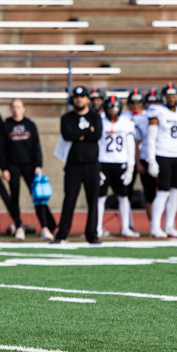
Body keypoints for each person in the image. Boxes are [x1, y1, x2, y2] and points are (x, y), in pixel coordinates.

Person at [0, 99, 54, 241]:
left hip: (29, 166)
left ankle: (45, 228)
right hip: (12, 166)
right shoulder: (6, 126)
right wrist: (4, 168)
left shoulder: (30, 125)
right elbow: (1, 150)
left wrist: (38, 165)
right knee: (14, 197)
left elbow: (37, 146)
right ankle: (19, 226)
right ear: (11, 109)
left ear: (24, 109)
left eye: (19, 107)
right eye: (14, 107)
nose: (16, 109)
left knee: (38, 197)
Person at [53, 86, 102, 244]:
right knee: (69, 200)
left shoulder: (95, 117)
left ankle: (92, 234)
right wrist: (87, 131)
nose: (79, 99)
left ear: (88, 99)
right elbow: (67, 135)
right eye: (76, 97)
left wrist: (79, 134)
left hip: (92, 164)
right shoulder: (67, 118)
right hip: (73, 165)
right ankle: (63, 234)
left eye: (82, 96)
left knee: (92, 200)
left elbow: (97, 135)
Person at [146, 83, 177, 239]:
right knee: (163, 191)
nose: (171, 99)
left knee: (174, 193)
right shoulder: (157, 111)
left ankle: (169, 226)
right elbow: (151, 138)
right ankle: (155, 227)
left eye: (174, 96)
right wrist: (152, 160)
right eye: (168, 97)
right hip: (162, 154)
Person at [96, 95, 137, 238]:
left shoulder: (126, 122)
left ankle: (125, 227)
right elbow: (96, 144)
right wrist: (97, 166)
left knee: (123, 197)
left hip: (120, 163)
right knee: (100, 197)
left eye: (115, 109)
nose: (112, 112)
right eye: (109, 109)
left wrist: (130, 168)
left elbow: (131, 146)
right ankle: (97, 227)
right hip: (103, 163)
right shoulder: (100, 121)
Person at [119, 86, 149, 234]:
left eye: (138, 103)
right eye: (133, 102)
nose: (136, 106)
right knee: (126, 193)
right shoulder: (123, 116)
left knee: (150, 193)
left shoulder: (148, 116)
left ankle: (154, 225)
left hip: (145, 157)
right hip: (127, 157)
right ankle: (128, 224)